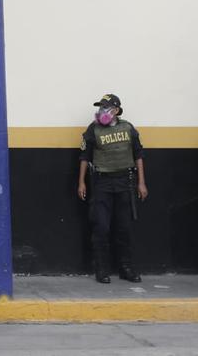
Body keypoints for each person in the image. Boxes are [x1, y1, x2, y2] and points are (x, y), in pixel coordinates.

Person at [77, 93, 148, 284]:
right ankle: (102, 270)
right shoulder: (93, 129)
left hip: (125, 182)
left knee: (124, 228)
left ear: (116, 110)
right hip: (102, 183)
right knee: (101, 227)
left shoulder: (128, 128)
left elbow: (138, 155)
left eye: (106, 107)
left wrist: (141, 182)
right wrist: (81, 182)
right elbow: (84, 156)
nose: (102, 111)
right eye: (100, 107)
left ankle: (126, 269)